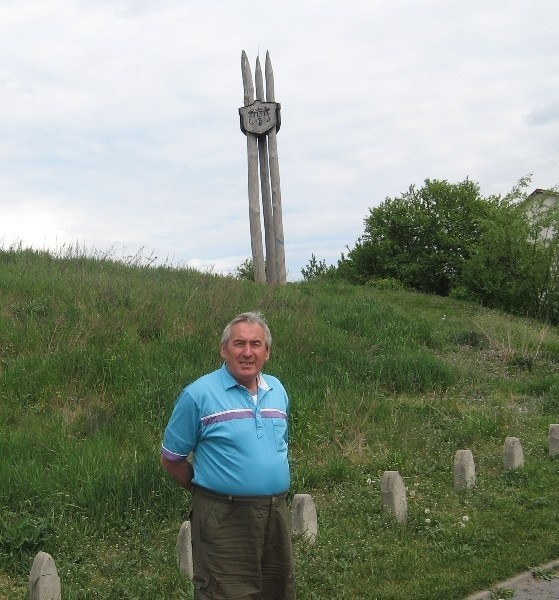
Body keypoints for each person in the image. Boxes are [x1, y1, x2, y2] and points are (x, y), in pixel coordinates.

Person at [161, 311, 296, 599]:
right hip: (224, 517)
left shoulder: (278, 390)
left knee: (278, 589)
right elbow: (171, 459)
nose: (247, 352)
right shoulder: (198, 395)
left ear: (267, 352)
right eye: (239, 344)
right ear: (224, 349)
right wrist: (209, 492)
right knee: (225, 593)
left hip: (276, 512)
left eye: (256, 344)